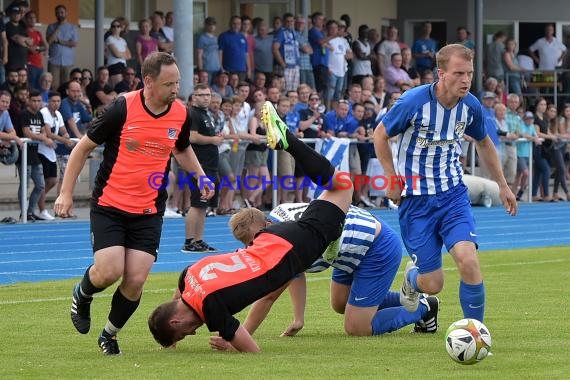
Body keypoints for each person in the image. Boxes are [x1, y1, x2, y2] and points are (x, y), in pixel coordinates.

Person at [148, 100, 353, 352]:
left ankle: (287, 140)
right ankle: (334, 234)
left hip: (291, 250)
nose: (192, 332)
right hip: (272, 236)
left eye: (183, 333)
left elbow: (252, 349)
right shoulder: (188, 275)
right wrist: (168, 336)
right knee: (336, 188)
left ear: (176, 320)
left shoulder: (210, 310)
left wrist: (232, 346)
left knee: (343, 185)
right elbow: (178, 296)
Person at [54, 52, 214, 355]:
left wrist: (201, 177)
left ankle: (109, 334)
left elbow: (181, 149)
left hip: (149, 210)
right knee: (109, 271)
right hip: (110, 205)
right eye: (169, 84)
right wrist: (65, 192)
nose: (175, 89)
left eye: (178, 82)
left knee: (136, 279)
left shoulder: (180, 113)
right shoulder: (121, 108)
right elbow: (82, 149)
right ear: (149, 82)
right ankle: (82, 292)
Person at [373, 44, 518, 324]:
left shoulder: (471, 106)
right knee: (433, 284)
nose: (465, 80)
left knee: (469, 261)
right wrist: (391, 178)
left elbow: (484, 142)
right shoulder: (413, 102)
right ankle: (412, 279)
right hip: (416, 202)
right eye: (459, 73)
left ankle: (475, 333)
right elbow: (380, 135)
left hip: (453, 197)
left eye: (470, 73)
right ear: (441, 74)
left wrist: (502, 184)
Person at [231, 204, 440, 338]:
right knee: (340, 303)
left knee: (356, 327)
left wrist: (240, 336)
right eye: (250, 244)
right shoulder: (278, 218)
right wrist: (298, 318)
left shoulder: (287, 238)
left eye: (257, 238)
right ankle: (409, 300)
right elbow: (295, 271)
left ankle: (424, 307)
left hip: (375, 246)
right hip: (349, 246)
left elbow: (269, 295)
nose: (257, 246)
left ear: (266, 224)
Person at [180, 84, 221, 253]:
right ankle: (189, 241)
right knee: (197, 203)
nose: (206, 97)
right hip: (199, 166)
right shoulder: (193, 113)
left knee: (203, 205)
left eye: (208, 94)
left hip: (209, 165)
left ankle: (198, 240)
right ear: (194, 97)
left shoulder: (206, 114)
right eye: (202, 94)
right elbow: (192, 137)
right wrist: (212, 140)